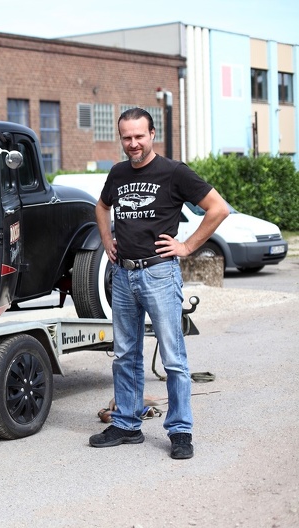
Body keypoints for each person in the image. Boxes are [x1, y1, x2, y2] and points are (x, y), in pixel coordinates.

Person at [90, 107, 229, 459]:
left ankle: (180, 430)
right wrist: (107, 239)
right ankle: (126, 423)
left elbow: (218, 208)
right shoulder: (119, 173)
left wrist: (187, 246)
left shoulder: (174, 172)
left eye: (139, 136)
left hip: (159, 274)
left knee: (173, 358)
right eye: (127, 138)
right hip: (123, 275)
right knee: (124, 354)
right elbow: (101, 207)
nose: (133, 144)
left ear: (153, 134)